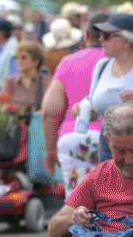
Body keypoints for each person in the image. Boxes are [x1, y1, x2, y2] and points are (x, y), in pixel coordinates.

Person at [43, 12, 108, 193]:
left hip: (73, 139)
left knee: (77, 201)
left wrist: (49, 150)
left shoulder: (68, 62)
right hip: (113, 139)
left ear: (86, 36)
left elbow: (50, 110)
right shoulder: (121, 62)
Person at [47, 103, 133, 237]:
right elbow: (53, 228)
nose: (128, 160)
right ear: (107, 140)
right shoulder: (99, 175)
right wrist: (74, 219)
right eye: (119, 151)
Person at [87, 12, 133, 163]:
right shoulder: (102, 66)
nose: (100, 39)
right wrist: (84, 109)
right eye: (100, 35)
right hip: (108, 145)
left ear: (127, 41)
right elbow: (93, 110)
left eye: (107, 35)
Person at [0, 40, 48, 113]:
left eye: (23, 58)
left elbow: (49, 109)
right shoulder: (10, 81)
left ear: (36, 60)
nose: (19, 61)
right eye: (17, 58)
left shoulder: (45, 81)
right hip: (13, 122)